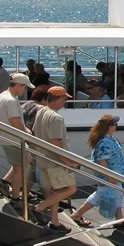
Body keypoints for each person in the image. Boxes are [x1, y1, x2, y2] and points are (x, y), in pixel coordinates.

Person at [32, 86, 80, 233]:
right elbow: (56, 142)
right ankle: (39, 207)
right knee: (70, 188)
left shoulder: (41, 112)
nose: (64, 102)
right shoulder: (56, 117)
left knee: (56, 192)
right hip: (55, 162)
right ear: (58, 99)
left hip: (42, 159)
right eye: (63, 99)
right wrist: (68, 162)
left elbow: (34, 132)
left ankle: (55, 221)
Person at [71, 114, 124, 229]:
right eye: (115, 124)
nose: (116, 126)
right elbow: (102, 160)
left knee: (117, 194)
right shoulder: (104, 142)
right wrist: (108, 176)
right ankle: (77, 215)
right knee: (100, 195)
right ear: (109, 126)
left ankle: (119, 219)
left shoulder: (109, 139)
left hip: (115, 175)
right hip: (109, 175)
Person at [0, 73, 35, 202]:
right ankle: (16, 197)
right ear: (18, 85)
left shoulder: (2, 96)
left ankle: (4, 182)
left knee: (26, 159)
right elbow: (14, 121)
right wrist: (26, 133)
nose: (25, 90)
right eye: (24, 87)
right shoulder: (11, 100)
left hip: (7, 137)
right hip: (14, 139)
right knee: (20, 169)